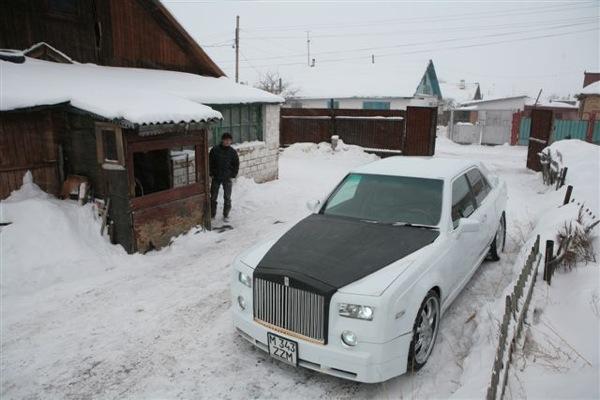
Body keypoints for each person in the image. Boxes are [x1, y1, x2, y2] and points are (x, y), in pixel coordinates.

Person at [209, 133, 239, 222]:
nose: (227, 142)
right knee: (213, 196)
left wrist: (233, 174)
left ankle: (226, 215)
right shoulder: (215, 150)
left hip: (227, 177)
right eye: (226, 140)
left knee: (227, 197)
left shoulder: (232, 152)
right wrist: (211, 173)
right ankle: (212, 214)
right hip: (216, 177)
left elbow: (236, 164)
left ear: (231, 141)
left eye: (229, 140)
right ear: (222, 140)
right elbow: (209, 162)